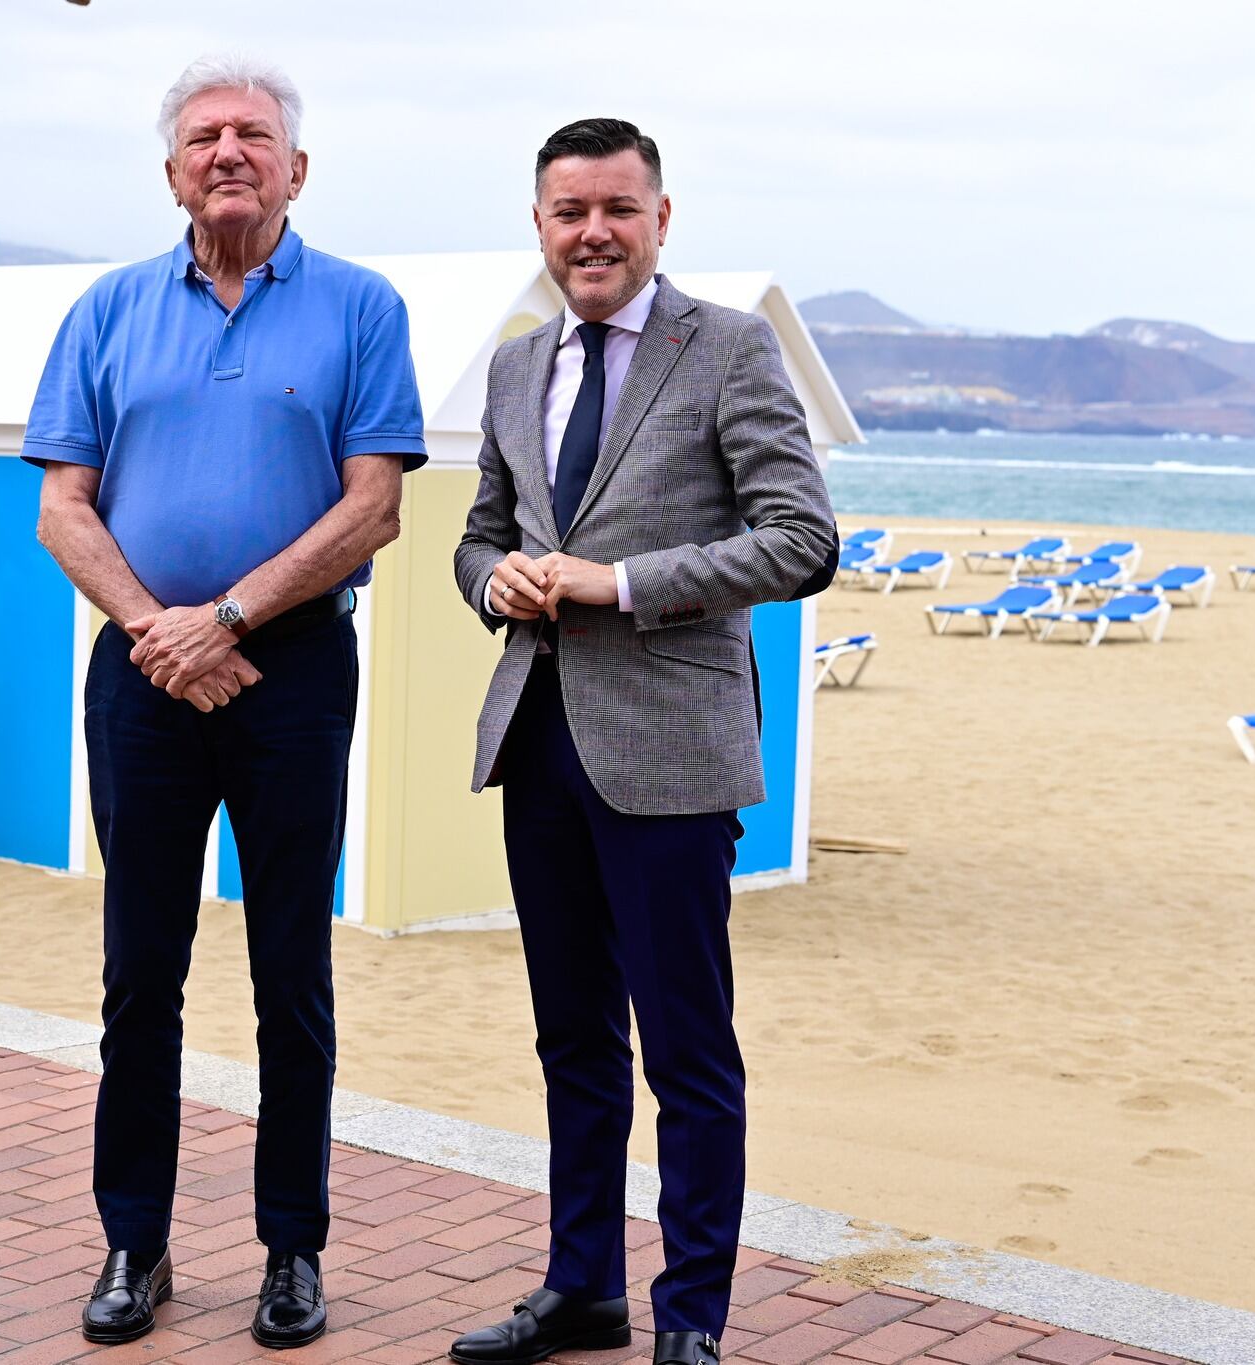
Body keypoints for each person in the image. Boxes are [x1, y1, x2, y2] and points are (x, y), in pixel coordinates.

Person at [23, 55, 426, 1351]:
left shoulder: (362, 308)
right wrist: (159, 630)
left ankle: (291, 1252)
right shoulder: (107, 310)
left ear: (298, 169)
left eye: (256, 134)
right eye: (206, 136)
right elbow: (62, 506)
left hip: (291, 673)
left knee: (289, 972)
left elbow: (376, 503)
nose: (230, 151)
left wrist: (231, 618)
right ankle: (134, 1242)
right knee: (141, 973)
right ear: (172, 172)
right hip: (142, 675)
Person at [447, 119, 837, 1365]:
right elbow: (477, 533)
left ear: (660, 218)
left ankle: (690, 1320)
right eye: (569, 212)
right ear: (540, 225)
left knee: (684, 1049)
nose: (593, 232)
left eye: (617, 208)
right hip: (539, 740)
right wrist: (493, 580)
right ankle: (581, 1290)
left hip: (667, 749)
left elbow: (800, 538)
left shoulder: (726, 348)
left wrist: (616, 584)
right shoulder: (515, 368)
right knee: (571, 1039)